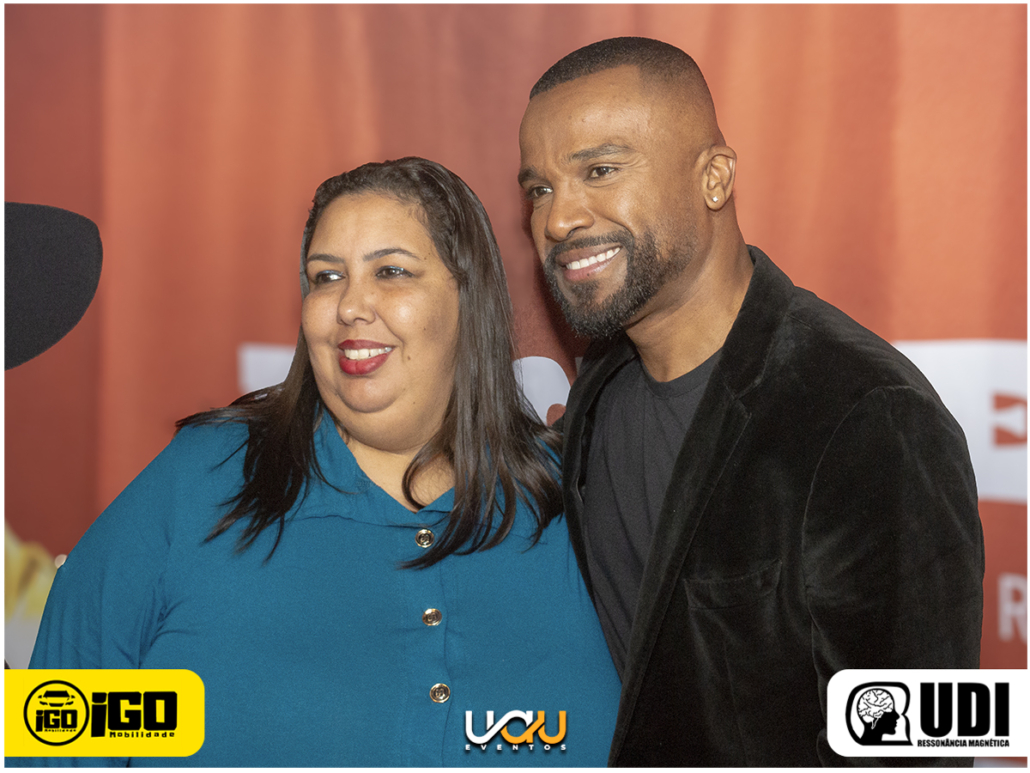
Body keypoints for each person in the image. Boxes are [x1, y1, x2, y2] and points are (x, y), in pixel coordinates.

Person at [12, 157, 620, 766]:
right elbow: (53, 737)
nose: (351, 305)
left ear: (470, 298)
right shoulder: (205, 484)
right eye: (326, 277)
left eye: (391, 271)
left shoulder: (577, 499)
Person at [518, 37, 984, 766]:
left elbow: (928, 746)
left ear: (714, 178)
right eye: (539, 189)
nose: (557, 219)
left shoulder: (868, 414)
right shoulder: (600, 392)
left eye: (600, 171)